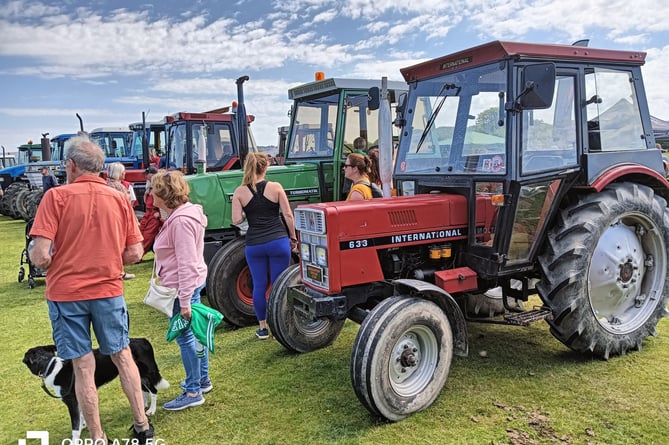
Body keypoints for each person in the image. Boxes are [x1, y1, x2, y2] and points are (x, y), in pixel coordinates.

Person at [28, 136, 154, 444]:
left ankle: (98, 437)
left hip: (66, 294)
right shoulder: (120, 198)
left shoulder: (56, 198)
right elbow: (135, 252)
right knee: (122, 355)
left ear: (70, 165)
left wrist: (55, 257)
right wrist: (108, 259)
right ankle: (142, 427)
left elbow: (40, 256)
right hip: (108, 291)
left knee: (83, 366)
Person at [150, 170, 211, 410]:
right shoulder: (184, 215)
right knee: (194, 335)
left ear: (164, 195)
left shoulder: (182, 221)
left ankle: (193, 390)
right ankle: (201, 380)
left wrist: (185, 300)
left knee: (186, 338)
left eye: (154, 193)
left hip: (181, 289)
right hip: (185, 286)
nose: (151, 198)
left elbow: (186, 263)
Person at [231, 152, 297, 339]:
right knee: (279, 284)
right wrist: (292, 237)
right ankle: (280, 325)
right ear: (265, 167)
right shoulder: (276, 187)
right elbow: (288, 215)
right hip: (278, 241)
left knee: (259, 285)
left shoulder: (240, 191)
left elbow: (236, 219)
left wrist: (246, 213)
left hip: (255, 244)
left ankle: (263, 328)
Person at [106, 162, 137, 280]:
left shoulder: (107, 185)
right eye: (123, 171)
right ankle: (119, 272)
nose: (125, 173)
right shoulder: (118, 187)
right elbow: (126, 204)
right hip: (119, 220)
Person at [139, 167, 163, 257]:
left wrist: (159, 214)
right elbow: (145, 202)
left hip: (154, 213)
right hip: (148, 212)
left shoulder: (159, 186)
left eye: (147, 174)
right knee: (141, 231)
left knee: (148, 235)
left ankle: (139, 254)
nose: (145, 176)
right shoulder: (149, 186)